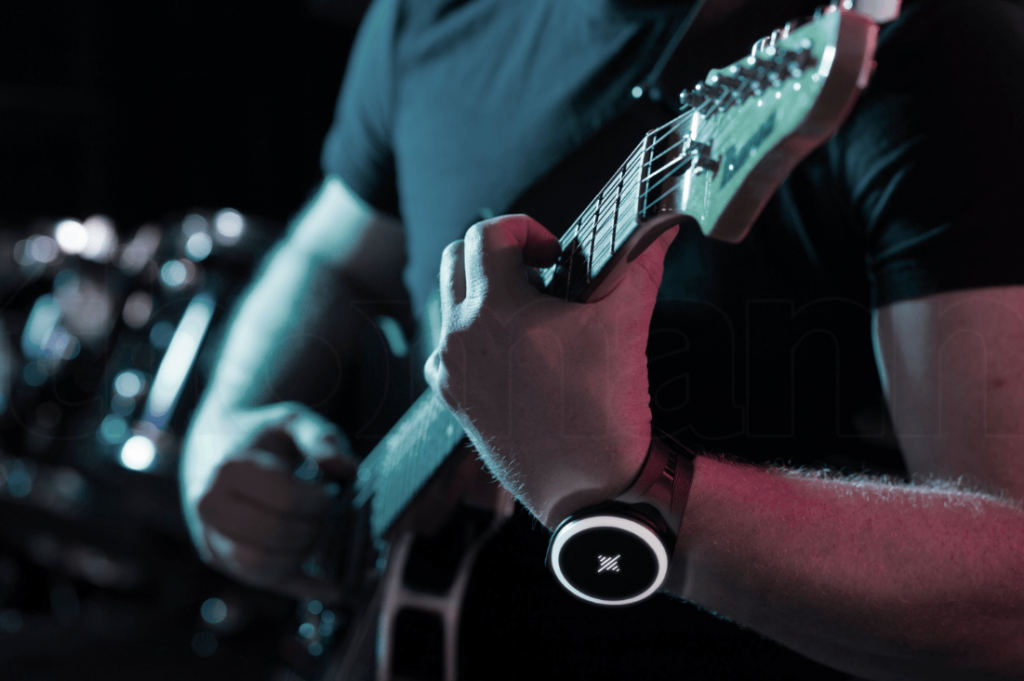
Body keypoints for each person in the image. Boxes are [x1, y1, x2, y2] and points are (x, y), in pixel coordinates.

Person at [181, 0, 1024, 678]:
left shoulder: (930, 53)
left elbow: (1009, 603)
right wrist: (224, 423)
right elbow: (325, 257)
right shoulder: (424, 18)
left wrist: (631, 499)